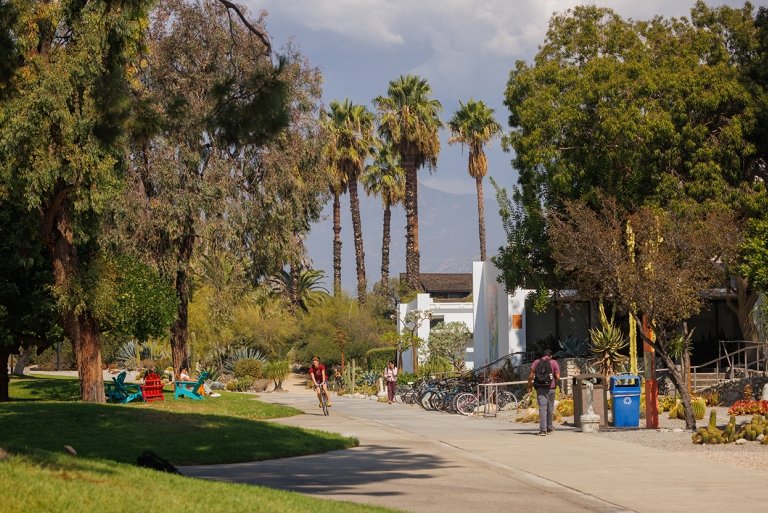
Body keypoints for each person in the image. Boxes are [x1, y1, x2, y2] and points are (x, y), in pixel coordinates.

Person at [527, 349, 561, 436]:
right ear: (551, 355)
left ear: (543, 355)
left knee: (542, 408)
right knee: (550, 409)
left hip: (540, 388)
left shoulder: (536, 362)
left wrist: (529, 386)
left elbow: (530, 376)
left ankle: (543, 430)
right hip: (551, 388)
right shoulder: (554, 362)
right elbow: (558, 377)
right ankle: (549, 427)